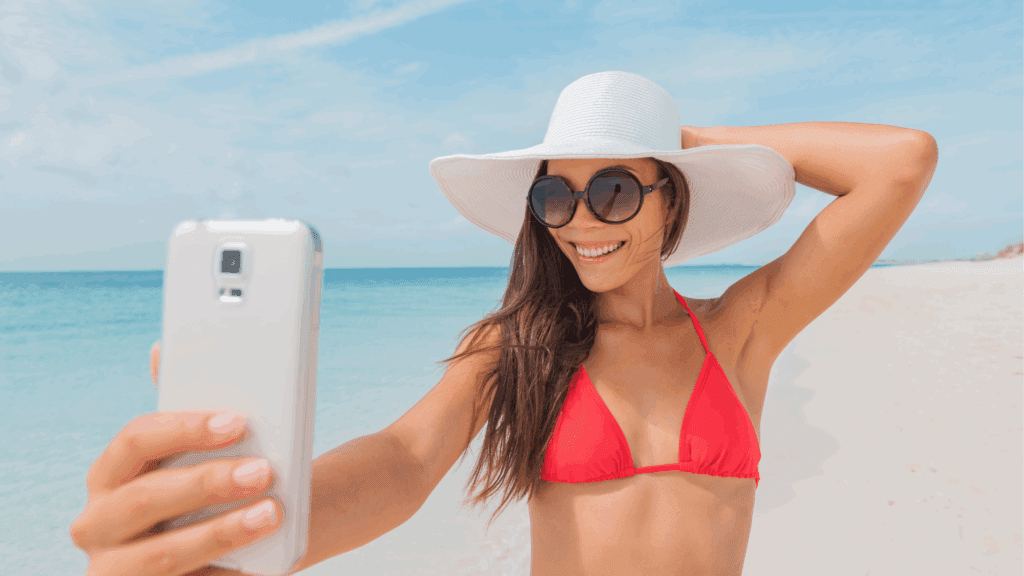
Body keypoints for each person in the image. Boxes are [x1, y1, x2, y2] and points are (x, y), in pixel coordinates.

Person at [70, 71, 938, 575]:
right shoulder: (518, 346)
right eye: (557, 194)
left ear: (671, 197)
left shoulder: (740, 330)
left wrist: (690, 139)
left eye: (614, 189)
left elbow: (901, 163)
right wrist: (251, 534)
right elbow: (405, 459)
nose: (581, 223)